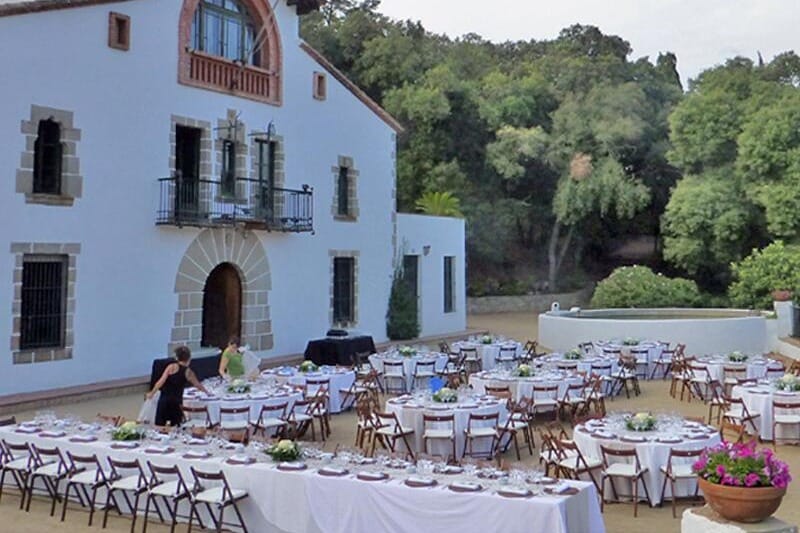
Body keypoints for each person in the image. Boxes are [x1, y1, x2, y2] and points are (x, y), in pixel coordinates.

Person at [148, 346, 208, 427]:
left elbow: (160, 381)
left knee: (159, 425)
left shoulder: (171, 367)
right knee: (175, 427)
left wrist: (152, 393)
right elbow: (198, 385)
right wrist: (207, 392)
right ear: (189, 358)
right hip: (176, 403)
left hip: (163, 400)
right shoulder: (188, 372)